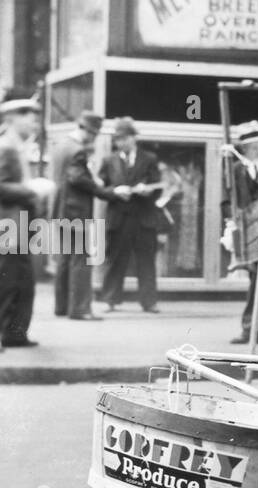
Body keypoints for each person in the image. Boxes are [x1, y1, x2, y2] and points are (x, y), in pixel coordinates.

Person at [53, 112, 128, 320]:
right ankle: (80, 309)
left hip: (60, 210)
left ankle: (62, 306)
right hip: (75, 212)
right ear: (84, 129)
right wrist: (111, 192)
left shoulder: (61, 145)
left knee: (65, 259)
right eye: (94, 134)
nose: (94, 138)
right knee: (81, 260)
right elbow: (78, 179)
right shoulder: (78, 151)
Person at [222, 120, 258, 344]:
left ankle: (257, 329)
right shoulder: (234, 170)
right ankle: (251, 329)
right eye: (254, 147)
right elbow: (226, 200)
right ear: (244, 149)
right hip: (250, 232)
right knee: (257, 278)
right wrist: (232, 219)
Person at [0, 97, 50, 349]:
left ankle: (15, 333)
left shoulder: (16, 146)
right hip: (8, 226)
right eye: (27, 115)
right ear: (10, 118)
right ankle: (9, 333)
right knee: (9, 282)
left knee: (22, 282)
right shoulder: (6, 146)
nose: (33, 121)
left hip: (19, 225)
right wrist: (31, 189)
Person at [98, 118, 163, 312]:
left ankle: (149, 302)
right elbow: (100, 188)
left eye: (124, 138)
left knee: (146, 261)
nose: (121, 143)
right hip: (119, 218)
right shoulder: (109, 161)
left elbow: (158, 187)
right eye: (117, 140)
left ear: (134, 138)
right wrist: (115, 191)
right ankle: (110, 299)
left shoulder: (149, 159)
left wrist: (147, 190)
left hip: (144, 218)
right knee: (115, 260)